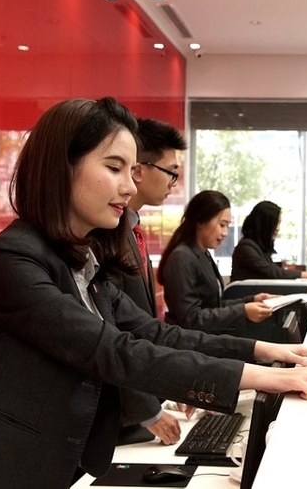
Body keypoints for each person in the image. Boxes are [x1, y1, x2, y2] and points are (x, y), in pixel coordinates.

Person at [0, 97, 307, 489]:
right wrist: (262, 378)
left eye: (131, 172)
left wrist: (265, 351)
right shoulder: (13, 260)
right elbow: (113, 351)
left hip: (59, 465)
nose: (130, 187)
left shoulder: (84, 260)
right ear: (63, 166)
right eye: (114, 168)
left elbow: (157, 334)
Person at [106, 117, 186, 446]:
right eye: (172, 172)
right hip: (117, 417)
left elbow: (145, 328)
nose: (174, 183)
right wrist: (146, 410)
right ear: (141, 169)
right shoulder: (106, 237)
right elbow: (112, 335)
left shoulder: (131, 229)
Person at [158, 190, 275, 334]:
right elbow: (191, 318)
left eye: (227, 226)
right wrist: (242, 311)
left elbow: (213, 305)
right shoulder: (182, 258)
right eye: (222, 225)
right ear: (201, 221)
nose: (225, 233)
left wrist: (251, 300)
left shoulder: (203, 254)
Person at [230, 200, 307, 282]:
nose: (278, 228)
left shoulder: (258, 248)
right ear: (265, 224)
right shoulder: (245, 248)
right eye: (276, 223)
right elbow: (272, 272)